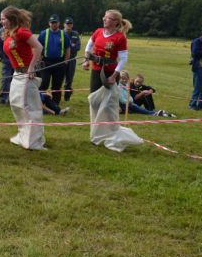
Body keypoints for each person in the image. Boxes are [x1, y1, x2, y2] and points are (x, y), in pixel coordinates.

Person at [81, 9, 142, 152]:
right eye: (104, 17)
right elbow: (89, 46)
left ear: (115, 22)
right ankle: (98, 131)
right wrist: (86, 60)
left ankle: (112, 131)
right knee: (94, 101)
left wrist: (114, 76)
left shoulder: (120, 38)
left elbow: (123, 59)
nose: (104, 19)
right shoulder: (98, 32)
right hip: (97, 71)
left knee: (108, 104)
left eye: (108, 18)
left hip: (110, 73)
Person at [0, 5, 45, 150]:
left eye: (3, 19)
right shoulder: (8, 33)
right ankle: (24, 135)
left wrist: (31, 68)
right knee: (16, 104)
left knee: (28, 107)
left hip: (26, 74)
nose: (1, 22)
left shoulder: (22, 32)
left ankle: (34, 140)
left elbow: (38, 47)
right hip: (17, 73)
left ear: (11, 19)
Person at [38, 14, 71, 104]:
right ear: (49, 23)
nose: (54, 24)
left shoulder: (63, 34)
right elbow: (38, 47)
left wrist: (66, 61)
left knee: (56, 86)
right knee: (44, 83)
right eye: (52, 22)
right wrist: (38, 61)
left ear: (59, 23)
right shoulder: (43, 33)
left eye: (55, 22)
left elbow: (68, 49)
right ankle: (41, 103)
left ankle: (55, 104)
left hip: (59, 63)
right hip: (46, 62)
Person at [0, 12, 13, 105]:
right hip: (7, 62)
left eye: (3, 19)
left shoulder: (17, 31)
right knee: (6, 79)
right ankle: (2, 99)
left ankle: (13, 99)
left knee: (16, 81)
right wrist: (5, 58)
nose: (1, 21)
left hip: (19, 62)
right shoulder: (0, 32)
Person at [63, 17, 82, 101]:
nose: (69, 26)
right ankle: (56, 97)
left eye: (70, 24)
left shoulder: (75, 34)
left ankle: (67, 97)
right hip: (61, 59)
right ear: (64, 25)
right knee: (58, 78)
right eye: (67, 24)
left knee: (69, 79)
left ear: (72, 25)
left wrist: (69, 47)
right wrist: (71, 46)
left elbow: (78, 47)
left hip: (71, 59)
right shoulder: (61, 33)